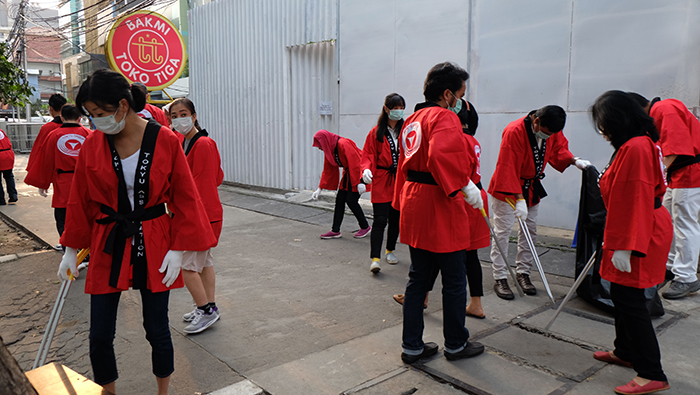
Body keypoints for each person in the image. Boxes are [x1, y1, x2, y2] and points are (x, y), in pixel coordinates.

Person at [58, 69, 216, 395]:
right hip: (108, 238)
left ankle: (163, 391)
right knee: (99, 333)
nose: (95, 121)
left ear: (122, 106)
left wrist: (179, 246)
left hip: (155, 235)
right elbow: (81, 198)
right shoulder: (92, 145)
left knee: (156, 328)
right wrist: (72, 249)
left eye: (100, 114)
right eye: (91, 115)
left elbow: (185, 196)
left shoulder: (165, 140)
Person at [393, 61, 484, 364]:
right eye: (459, 94)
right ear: (447, 94)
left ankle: (412, 346)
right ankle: (456, 344)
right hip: (441, 203)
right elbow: (442, 156)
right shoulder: (445, 118)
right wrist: (465, 186)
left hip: (415, 202)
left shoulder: (412, 119)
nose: (460, 101)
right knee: (455, 280)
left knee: (418, 278)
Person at [591, 90, 671, 395]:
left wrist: (627, 246)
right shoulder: (638, 143)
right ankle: (624, 350)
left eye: (603, 124)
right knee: (623, 295)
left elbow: (634, 199)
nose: (603, 131)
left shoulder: (636, 148)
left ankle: (651, 371)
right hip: (638, 225)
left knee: (630, 299)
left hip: (640, 229)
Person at [487, 105, 591, 300]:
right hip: (508, 187)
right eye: (546, 133)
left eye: (552, 134)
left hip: (531, 186)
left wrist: (573, 160)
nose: (549, 136)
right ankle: (500, 276)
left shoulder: (551, 130)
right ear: (536, 121)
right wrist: (518, 200)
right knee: (502, 232)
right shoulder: (514, 131)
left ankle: (523, 272)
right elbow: (507, 167)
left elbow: (559, 149)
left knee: (530, 231)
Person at [628, 93, 700, 300]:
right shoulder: (664, 109)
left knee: (685, 224)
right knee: (667, 220)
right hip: (679, 174)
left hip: (689, 173)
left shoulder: (664, 109)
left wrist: (651, 179)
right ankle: (670, 267)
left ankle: (686, 277)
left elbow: (675, 147)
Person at [169, 98, 224, 334]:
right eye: (174, 115)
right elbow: (217, 177)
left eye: (183, 114)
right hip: (203, 213)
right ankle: (208, 306)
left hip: (199, 215)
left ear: (193, 116)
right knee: (204, 263)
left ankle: (205, 310)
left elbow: (200, 184)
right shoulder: (186, 141)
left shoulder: (202, 144)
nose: (179, 119)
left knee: (188, 266)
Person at [24, 105, 90, 238]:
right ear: (80, 118)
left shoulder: (53, 135)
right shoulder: (89, 135)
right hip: (86, 183)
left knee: (63, 218)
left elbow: (45, 160)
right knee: (85, 216)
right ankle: (86, 251)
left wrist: (43, 184)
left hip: (63, 183)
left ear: (61, 117)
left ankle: (68, 249)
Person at [360, 93, 404, 273]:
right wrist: (366, 169)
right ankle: (375, 258)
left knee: (396, 219)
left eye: (401, 108)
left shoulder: (407, 129)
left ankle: (390, 250)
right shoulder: (376, 133)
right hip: (382, 179)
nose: (399, 112)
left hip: (400, 181)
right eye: (395, 108)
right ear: (386, 109)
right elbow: (367, 154)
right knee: (379, 220)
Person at [311, 129, 371, 239]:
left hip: (360, 172)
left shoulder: (343, 144)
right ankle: (335, 230)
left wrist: (360, 182)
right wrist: (320, 189)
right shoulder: (330, 149)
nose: (320, 148)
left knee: (351, 200)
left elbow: (356, 162)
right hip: (349, 175)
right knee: (340, 200)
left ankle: (365, 226)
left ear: (325, 141)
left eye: (320, 145)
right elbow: (328, 169)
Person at [27, 93, 66, 172]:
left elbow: (38, 149)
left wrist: (32, 168)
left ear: (50, 108)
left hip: (53, 168)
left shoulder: (47, 128)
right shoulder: (76, 126)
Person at [0, 127, 16, 205]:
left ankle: (1, 200)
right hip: (8, 154)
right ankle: (13, 195)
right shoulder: (1, 131)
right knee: (9, 176)